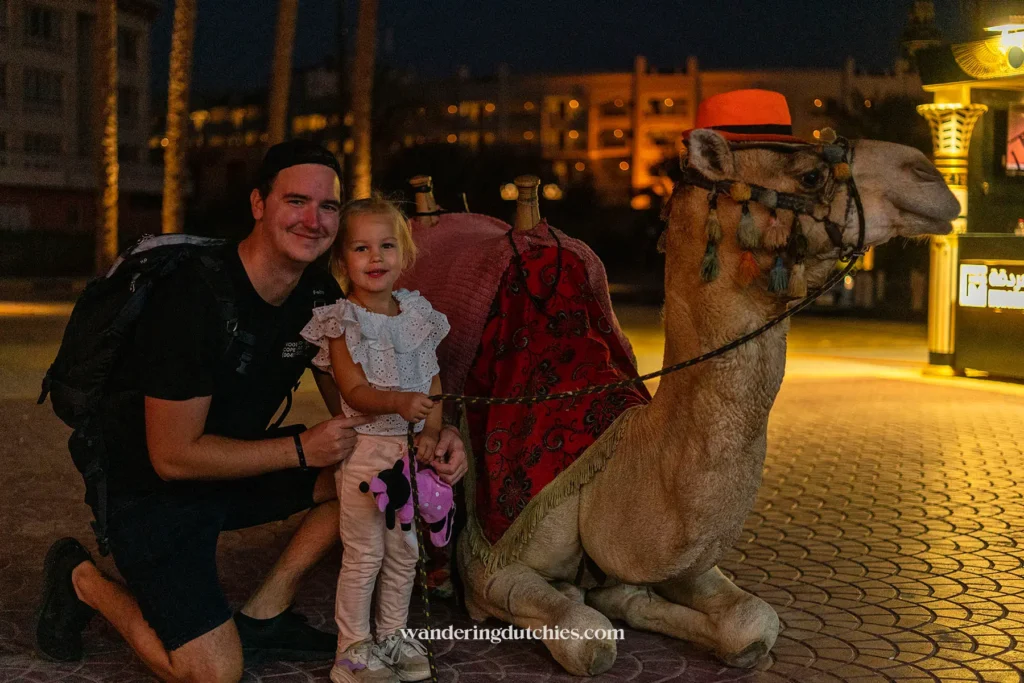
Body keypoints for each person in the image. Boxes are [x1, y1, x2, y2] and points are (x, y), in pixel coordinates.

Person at [35, 141, 468, 683]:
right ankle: (80, 578)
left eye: (328, 206)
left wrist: (436, 435)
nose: (313, 220)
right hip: (150, 489)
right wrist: (300, 449)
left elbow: (361, 412)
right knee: (213, 672)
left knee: (368, 473)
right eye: (296, 201)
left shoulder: (317, 295)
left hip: (236, 467)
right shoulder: (193, 299)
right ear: (259, 204)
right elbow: (171, 457)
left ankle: (265, 611)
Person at [300, 195, 448, 683]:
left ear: (404, 254)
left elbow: (433, 381)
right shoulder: (343, 321)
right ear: (342, 260)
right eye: (361, 248)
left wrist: (431, 430)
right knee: (365, 555)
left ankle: (392, 635)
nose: (375, 257)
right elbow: (354, 391)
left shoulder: (417, 315)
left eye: (387, 246)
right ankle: (352, 650)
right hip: (367, 453)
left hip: (408, 456)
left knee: (405, 553)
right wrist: (399, 402)